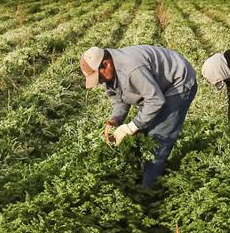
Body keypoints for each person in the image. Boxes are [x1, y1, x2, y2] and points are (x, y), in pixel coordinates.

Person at [81, 45, 197, 188]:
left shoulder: (131, 69)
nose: (100, 82)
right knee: (142, 132)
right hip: (157, 87)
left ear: (106, 64)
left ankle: (149, 190)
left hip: (178, 81)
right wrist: (115, 121)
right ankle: (143, 173)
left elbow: (155, 100)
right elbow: (119, 100)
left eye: (99, 77)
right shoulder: (110, 74)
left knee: (158, 138)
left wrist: (131, 127)